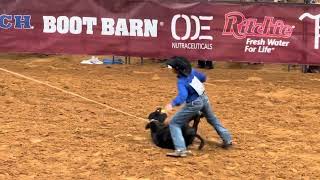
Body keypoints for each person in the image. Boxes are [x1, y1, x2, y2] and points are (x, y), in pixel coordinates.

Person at [164, 56, 232, 157]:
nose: (171, 69)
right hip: (204, 98)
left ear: (178, 69)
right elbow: (204, 77)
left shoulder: (181, 81)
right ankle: (227, 139)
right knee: (212, 119)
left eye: (172, 67)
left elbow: (183, 96)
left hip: (194, 103)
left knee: (174, 123)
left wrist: (172, 104)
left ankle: (180, 150)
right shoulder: (192, 72)